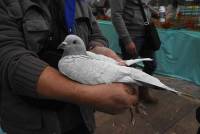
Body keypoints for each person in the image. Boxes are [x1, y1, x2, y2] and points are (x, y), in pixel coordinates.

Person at [0, 0, 138, 134]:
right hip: (33, 123)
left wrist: (97, 51)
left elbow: (96, 35)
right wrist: (90, 95)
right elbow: (10, 58)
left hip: (81, 117)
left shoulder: (78, 2)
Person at [110, 0, 158, 103]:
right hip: (132, 36)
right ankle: (131, 98)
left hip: (147, 33)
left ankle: (143, 92)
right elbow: (116, 15)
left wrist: (154, 12)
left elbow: (144, 4)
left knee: (151, 65)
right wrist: (127, 40)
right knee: (130, 70)